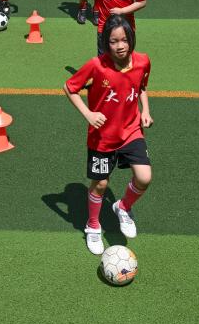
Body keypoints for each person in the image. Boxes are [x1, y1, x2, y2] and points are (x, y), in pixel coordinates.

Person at [64, 15, 153, 255]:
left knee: (144, 177)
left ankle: (123, 207)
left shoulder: (143, 61)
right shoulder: (96, 65)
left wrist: (145, 110)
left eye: (124, 40)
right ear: (106, 43)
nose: (120, 45)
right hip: (102, 137)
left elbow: (141, 87)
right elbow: (69, 87)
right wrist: (88, 114)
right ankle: (93, 226)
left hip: (132, 129)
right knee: (100, 184)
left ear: (131, 39)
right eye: (113, 41)